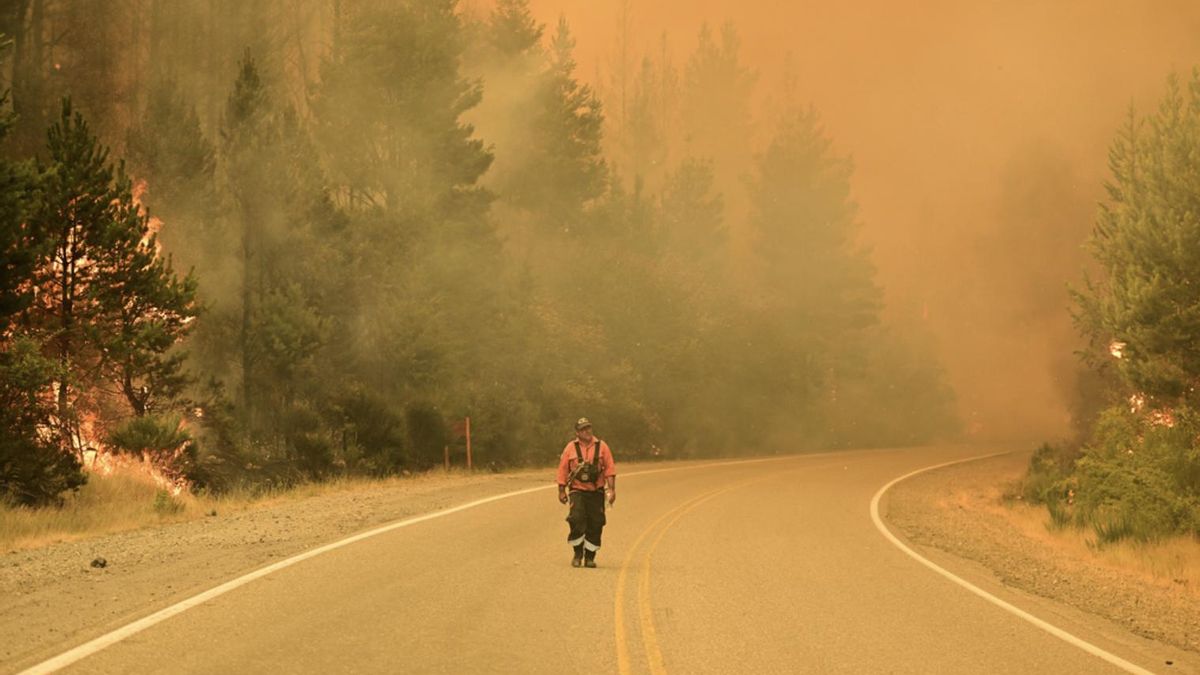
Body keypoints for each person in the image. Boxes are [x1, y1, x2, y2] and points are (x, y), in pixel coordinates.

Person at [556, 417, 617, 568]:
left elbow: (610, 469)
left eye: (588, 428)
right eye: (583, 429)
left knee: (596, 523)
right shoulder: (570, 448)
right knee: (576, 519)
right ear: (577, 432)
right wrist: (561, 490)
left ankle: (590, 557)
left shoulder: (602, 446)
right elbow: (563, 470)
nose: (587, 431)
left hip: (596, 491)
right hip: (577, 490)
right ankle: (577, 553)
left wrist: (612, 490)